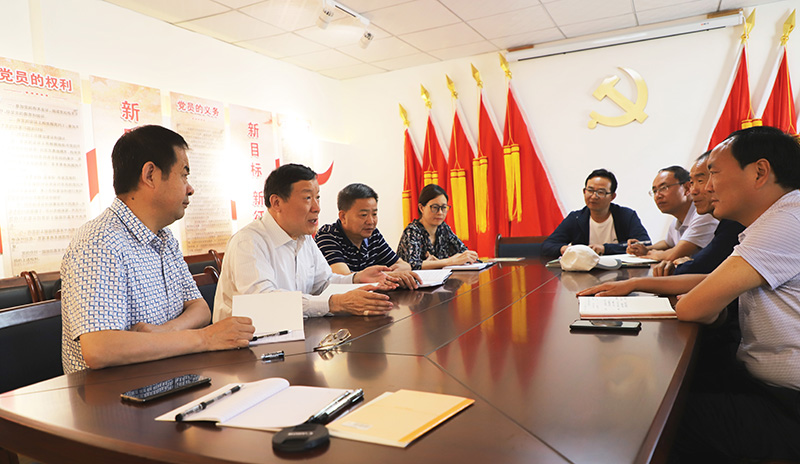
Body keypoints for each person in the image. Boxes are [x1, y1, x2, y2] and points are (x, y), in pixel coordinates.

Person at [580, 126, 800, 462]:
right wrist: (635, 284)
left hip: (786, 405)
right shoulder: (780, 216)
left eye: (713, 173)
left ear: (759, 173)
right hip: (765, 386)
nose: (706, 188)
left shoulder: (787, 220)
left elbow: (693, 307)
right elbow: (713, 279)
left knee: (645, 419)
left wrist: (708, 305)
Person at [60, 125, 255, 374]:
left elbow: (199, 308)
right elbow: (100, 349)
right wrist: (205, 339)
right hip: (114, 393)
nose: (190, 188)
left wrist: (165, 332)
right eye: (183, 175)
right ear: (150, 175)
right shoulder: (99, 241)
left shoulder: (165, 239)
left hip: (167, 378)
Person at [213, 164, 397, 322]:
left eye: (318, 197)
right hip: (246, 345)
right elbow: (265, 302)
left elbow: (323, 283)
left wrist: (357, 278)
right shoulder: (248, 242)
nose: (317, 208)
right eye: (308, 198)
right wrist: (334, 303)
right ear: (276, 203)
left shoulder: (304, 238)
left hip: (293, 333)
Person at [651, 152, 744, 277]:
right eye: (692, 183)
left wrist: (687, 264)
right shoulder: (726, 223)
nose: (693, 191)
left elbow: (699, 267)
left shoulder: (726, 222)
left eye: (700, 181)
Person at [315, 183, 419, 289]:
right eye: (363, 215)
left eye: (374, 214)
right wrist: (387, 275)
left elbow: (404, 266)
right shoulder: (328, 235)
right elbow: (343, 278)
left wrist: (384, 275)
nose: (371, 221)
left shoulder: (373, 234)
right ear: (343, 216)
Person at [541, 168, 649, 256]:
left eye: (600, 192)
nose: (593, 196)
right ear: (584, 192)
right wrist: (565, 249)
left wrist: (605, 249)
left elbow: (645, 244)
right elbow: (547, 246)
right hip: (585, 272)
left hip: (622, 271)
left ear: (612, 196)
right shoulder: (576, 218)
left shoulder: (627, 216)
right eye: (590, 190)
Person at [628, 166, 717, 262]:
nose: (658, 196)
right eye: (654, 191)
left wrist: (649, 253)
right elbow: (668, 243)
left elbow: (673, 254)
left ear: (687, 188)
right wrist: (644, 248)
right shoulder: (677, 219)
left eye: (663, 188)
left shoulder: (703, 215)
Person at [397, 184, 478, 270]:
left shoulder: (443, 229)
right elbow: (412, 265)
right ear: (421, 208)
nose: (440, 212)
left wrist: (437, 262)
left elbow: (464, 254)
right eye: (435, 207)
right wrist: (450, 261)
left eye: (444, 208)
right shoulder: (412, 231)